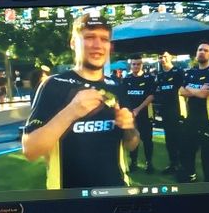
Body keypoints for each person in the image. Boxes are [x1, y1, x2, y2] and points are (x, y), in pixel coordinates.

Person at [22, 13, 139, 189]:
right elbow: (30, 150)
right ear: (73, 43)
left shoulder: (117, 86)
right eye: (89, 37)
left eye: (104, 39)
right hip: (69, 196)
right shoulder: (53, 85)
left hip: (116, 192)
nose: (97, 45)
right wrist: (71, 112)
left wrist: (128, 128)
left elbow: (132, 144)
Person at [178, 42, 209, 182]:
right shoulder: (191, 72)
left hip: (208, 119)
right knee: (187, 149)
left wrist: (190, 89)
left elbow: (204, 94)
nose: (202, 52)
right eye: (199, 49)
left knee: (208, 153)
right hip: (191, 118)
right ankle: (190, 175)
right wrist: (198, 90)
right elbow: (181, 91)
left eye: (206, 50)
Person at [121, 56, 156, 172]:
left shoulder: (149, 78)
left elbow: (151, 96)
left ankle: (149, 163)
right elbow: (123, 97)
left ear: (142, 65)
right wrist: (128, 111)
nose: (136, 66)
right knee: (132, 138)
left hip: (145, 114)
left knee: (147, 140)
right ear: (131, 65)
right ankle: (133, 163)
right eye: (134, 64)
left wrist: (138, 109)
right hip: (131, 116)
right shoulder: (126, 79)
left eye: (138, 64)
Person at [152, 51, 185, 175]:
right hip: (165, 112)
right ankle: (173, 164)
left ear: (171, 57)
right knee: (169, 139)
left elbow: (185, 91)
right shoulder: (159, 75)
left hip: (178, 111)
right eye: (160, 57)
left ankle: (182, 166)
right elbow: (156, 92)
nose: (163, 59)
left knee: (179, 139)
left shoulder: (178, 72)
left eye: (165, 56)